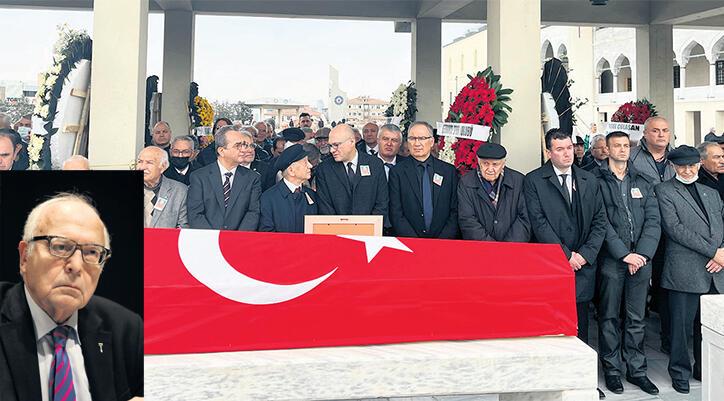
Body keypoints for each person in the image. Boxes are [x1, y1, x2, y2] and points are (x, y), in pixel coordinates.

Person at [0, 193, 143, 399]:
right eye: (60, 246)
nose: (76, 266)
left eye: (92, 252)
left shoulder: (127, 329)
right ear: (25, 257)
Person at [524, 129, 608, 398]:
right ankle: (552, 378)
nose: (566, 153)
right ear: (549, 152)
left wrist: (584, 254)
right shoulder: (534, 180)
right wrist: (565, 255)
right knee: (552, 325)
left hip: (583, 264)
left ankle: (581, 380)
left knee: (580, 324)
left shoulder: (589, 179)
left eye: (569, 147)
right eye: (559, 149)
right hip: (553, 265)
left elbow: (600, 220)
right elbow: (538, 222)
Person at [593, 131, 661, 396]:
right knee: (609, 317)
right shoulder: (596, 181)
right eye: (617, 146)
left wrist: (641, 254)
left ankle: (637, 370)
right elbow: (601, 222)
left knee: (636, 318)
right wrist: (623, 254)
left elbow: (654, 221)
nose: (622, 150)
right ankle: (612, 371)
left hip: (641, 261)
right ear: (607, 150)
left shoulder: (643, 181)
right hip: (613, 260)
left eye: (626, 146)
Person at [654, 145, 724, 394]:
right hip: (684, 270)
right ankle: (680, 372)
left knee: (711, 326)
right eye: (681, 166)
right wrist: (713, 252)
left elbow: (722, 224)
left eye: (692, 165)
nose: (687, 170)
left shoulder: (711, 193)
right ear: (673, 166)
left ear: (699, 164)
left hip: (716, 270)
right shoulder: (663, 191)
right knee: (681, 329)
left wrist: (722, 252)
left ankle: (704, 368)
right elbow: (675, 229)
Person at [629, 116, 675, 354]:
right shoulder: (633, 158)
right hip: (644, 231)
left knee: (668, 288)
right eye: (655, 130)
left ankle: (669, 339)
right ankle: (635, 345)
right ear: (645, 134)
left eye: (665, 130)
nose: (661, 135)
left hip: (673, 234)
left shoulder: (676, 159)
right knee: (640, 289)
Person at [388, 121, 458, 239]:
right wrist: (416, 243)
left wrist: (442, 240)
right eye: (412, 138)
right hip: (410, 243)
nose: (417, 143)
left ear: (431, 142)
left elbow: (455, 211)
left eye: (422, 138)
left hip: (443, 243)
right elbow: (396, 213)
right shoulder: (397, 172)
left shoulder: (448, 171)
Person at [187, 125, 261, 231]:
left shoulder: (252, 178)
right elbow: (195, 214)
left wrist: (236, 239)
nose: (244, 150)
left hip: (239, 241)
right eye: (238, 146)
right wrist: (215, 240)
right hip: (208, 241)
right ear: (221, 151)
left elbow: (253, 212)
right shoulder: (199, 177)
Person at [315, 124, 389, 225]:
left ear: (352, 141)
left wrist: (369, 227)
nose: (332, 150)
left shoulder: (375, 165)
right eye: (330, 145)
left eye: (336, 145)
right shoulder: (324, 169)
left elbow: (382, 202)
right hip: (336, 231)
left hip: (370, 231)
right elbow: (325, 208)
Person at [457, 142, 530, 242]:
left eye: (495, 164)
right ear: (478, 162)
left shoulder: (518, 181)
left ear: (503, 164)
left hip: (512, 249)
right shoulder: (466, 182)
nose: (490, 169)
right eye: (485, 163)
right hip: (480, 249)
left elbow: (524, 218)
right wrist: (491, 247)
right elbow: (467, 220)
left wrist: (507, 248)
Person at [259, 144, 318, 232]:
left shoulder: (311, 195)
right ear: (291, 171)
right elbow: (267, 232)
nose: (310, 166)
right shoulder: (268, 198)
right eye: (305, 162)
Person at [138, 146, 188, 229]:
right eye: (140, 162)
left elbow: (183, 227)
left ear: (163, 166)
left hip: (165, 241)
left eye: (149, 162)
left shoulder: (180, 191)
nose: (142, 167)